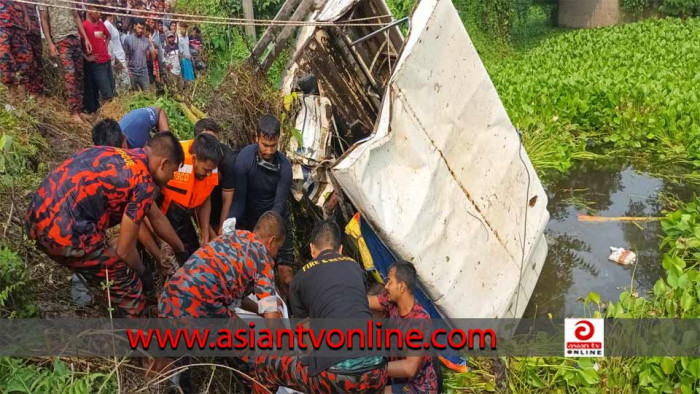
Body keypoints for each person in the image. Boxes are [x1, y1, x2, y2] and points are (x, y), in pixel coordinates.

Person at [25, 132, 186, 318]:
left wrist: (180, 249)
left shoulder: (122, 156)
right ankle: (140, 339)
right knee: (128, 284)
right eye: (173, 173)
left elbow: (157, 218)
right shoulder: (144, 183)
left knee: (107, 255)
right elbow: (124, 251)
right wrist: (145, 275)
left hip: (36, 216)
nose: (171, 179)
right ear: (163, 164)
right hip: (63, 233)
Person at [254, 220, 388, 393]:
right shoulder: (355, 268)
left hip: (334, 375)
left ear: (311, 249)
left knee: (265, 365)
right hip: (378, 370)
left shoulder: (300, 279)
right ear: (340, 249)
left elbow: (308, 340)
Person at [159, 210, 285, 319]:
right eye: (278, 248)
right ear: (271, 241)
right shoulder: (261, 256)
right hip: (196, 306)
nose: (275, 254)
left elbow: (231, 297)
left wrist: (261, 310)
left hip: (168, 300)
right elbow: (272, 320)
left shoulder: (233, 236)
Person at [229, 115, 294, 297]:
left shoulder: (284, 167)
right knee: (253, 275)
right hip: (251, 224)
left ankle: (294, 312)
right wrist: (230, 221)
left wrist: (270, 235)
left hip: (277, 221)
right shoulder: (244, 160)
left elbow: (279, 205)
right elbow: (239, 200)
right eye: (265, 145)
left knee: (285, 275)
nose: (268, 150)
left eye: (273, 146)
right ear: (256, 138)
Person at [368, 261, 438, 394]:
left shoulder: (419, 321)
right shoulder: (392, 303)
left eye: (390, 282)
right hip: (398, 381)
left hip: (419, 388)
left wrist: (372, 369)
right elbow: (367, 301)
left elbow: (409, 368)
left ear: (401, 287)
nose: (386, 286)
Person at [159, 133, 222, 257]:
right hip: (162, 212)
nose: (209, 174)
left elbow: (205, 197)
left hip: (184, 214)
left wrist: (205, 234)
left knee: (191, 254)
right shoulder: (172, 157)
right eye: (206, 170)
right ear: (194, 159)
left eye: (211, 170)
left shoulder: (210, 164)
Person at [40, 0, 92, 123]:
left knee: (79, 74)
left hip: (75, 37)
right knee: (70, 74)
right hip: (60, 39)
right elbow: (44, 19)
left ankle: (79, 109)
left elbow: (76, 16)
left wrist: (85, 38)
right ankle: (73, 112)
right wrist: (50, 43)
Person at [193, 118, 235, 236]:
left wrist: (222, 230)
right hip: (198, 205)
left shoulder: (228, 159)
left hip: (218, 206)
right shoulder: (190, 160)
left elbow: (228, 199)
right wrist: (208, 234)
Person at [83, 0, 114, 111]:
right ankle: (108, 114)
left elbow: (108, 35)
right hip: (97, 64)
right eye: (97, 10)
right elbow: (78, 44)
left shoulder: (101, 24)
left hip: (106, 61)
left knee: (112, 89)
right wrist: (87, 57)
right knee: (107, 93)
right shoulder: (85, 26)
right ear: (90, 10)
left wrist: (105, 46)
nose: (100, 13)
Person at [0, 0, 32, 98]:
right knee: (5, 57)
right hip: (2, 22)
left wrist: (26, 16)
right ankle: (12, 97)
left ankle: (22, 99)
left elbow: (21, 1)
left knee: (22, 58)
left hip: (17, 22)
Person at [104, 13, 130, 93]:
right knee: (121, 84)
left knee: (124, 83)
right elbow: (107, 43)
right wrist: (115, 59)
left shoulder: (112, 25)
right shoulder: (107, 24)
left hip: (120, 56)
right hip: (116, 58)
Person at [122, 18, 151, 91]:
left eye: (142, 28)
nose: (140, 30)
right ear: (134, 26)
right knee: (132, 94)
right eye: (139, 28)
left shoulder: (146, 41)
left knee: (147, 95)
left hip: (143, 72)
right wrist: (127, 70)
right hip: (132, 72)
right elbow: (125, 55)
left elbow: (152, 54)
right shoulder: (128, 39)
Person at [25, 1, 44, 96]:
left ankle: (38, 91)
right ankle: (31, 93)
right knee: (29, 61)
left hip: (36, 28)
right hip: (25, 29)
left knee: (38, 60)